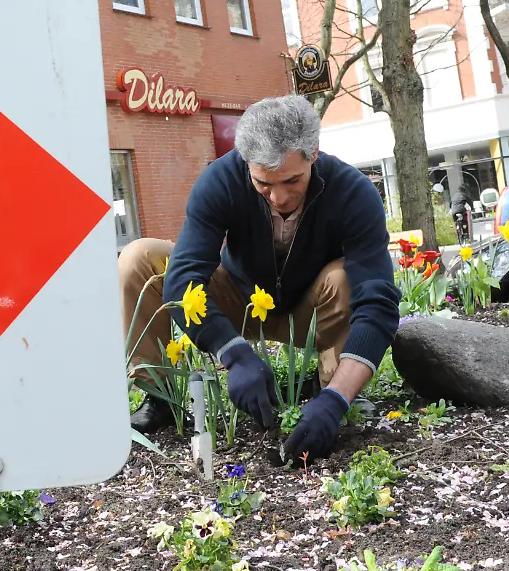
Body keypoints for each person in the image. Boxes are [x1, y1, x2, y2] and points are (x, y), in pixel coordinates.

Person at [119, 95, 400, 466]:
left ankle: (335, 392)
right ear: (245, 162)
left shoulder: (352, 193)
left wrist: (336, 401)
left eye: (292, 180)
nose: (279, 197)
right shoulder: (221, 179)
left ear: (314, 154)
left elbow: (377, 303)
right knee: (140, 258)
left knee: (346, 275)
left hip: (312, 311)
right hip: (241, 300)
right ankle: (160, 398)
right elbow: (184, 276)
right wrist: (232, 353)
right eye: (263, 184)